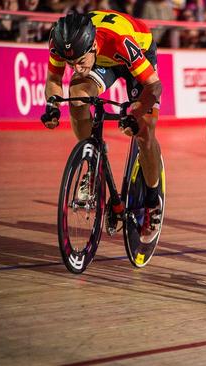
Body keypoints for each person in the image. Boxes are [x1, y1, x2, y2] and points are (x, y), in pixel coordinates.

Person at [40, 11, 164, 243]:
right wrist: (53, 106)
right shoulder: (61, 41)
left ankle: (152, 200)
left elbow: (155, 86)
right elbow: (54, 81)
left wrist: (135, 113)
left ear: (93, 47)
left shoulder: (120, 42)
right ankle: (92, 162)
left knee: (144, 131)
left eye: (80, 62)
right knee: (77, 95)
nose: (75, 68)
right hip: (104, 61)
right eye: (70, 63)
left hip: (137, 54)